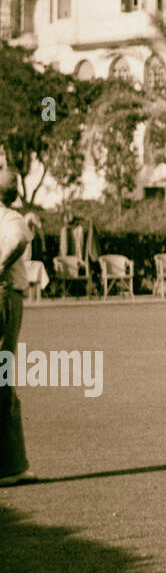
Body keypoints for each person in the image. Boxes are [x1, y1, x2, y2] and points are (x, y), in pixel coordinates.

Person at [0, 170, 32, 485]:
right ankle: (9, 467)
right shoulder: (9, 217)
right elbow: (20, 239)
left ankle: (12, 465)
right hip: (5, 294)